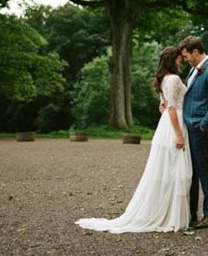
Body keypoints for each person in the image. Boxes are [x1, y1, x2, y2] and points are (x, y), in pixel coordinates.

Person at [75, 46, 192, 233]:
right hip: (174, 124)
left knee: (167, 170)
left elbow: (163, 104)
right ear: (172, 59)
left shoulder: (163, 79)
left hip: (167, 125)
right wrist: (178, 134)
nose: (182, 61)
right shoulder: (174, 79)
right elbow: (170, 108)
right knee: (175, 170)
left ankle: (168, 211)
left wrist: (164, 107)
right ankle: (171, 215)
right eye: (179, 58)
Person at [179, 36, 208, 229]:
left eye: (186, 55)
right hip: (188, 126)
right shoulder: (193, 69)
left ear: (195, 52)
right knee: (192, 171)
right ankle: (191, 214)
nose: (186, 59)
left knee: (203, 170)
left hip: (198, 128)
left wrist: (204, 124)